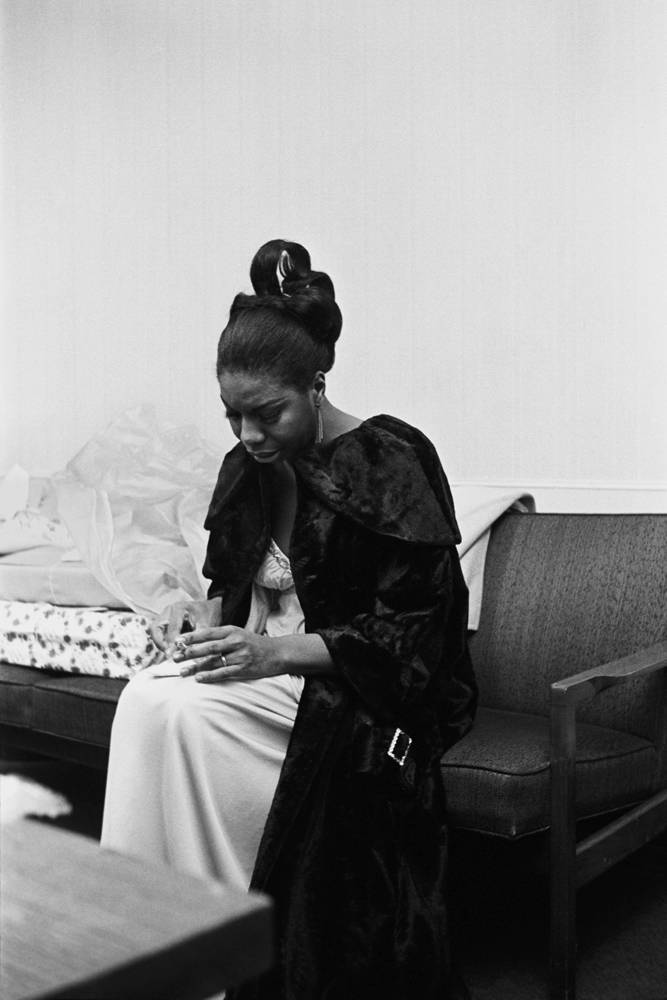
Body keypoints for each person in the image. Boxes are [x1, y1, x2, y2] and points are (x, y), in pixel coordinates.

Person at [101, 239, 477, 1000]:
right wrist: (202, 633)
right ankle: (147, 940)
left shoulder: (388, 459)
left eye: (267, 413)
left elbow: (414, 637)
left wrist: (270, 656)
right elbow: (228, 580)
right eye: (232, 414)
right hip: (263, 668)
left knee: (175, 709)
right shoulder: (248, 467)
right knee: (148, 697)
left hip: (355, 688)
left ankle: (221, 945)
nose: (247, 435)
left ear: (315, 383)